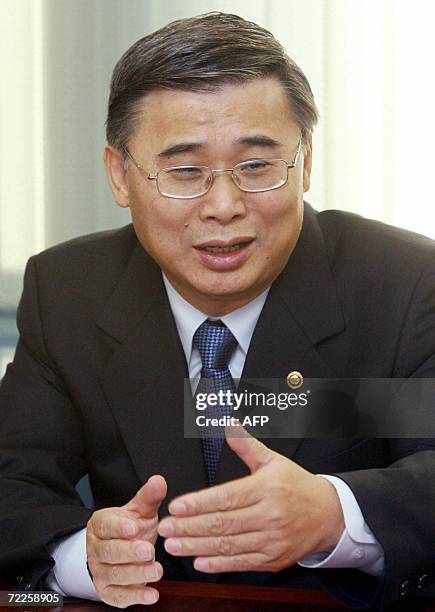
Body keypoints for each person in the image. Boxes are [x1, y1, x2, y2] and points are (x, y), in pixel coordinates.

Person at [0, 11, 434, 610]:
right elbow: (12, 476)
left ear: (304, 164)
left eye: (256, 166)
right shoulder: (70, 289)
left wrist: (335, 514)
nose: (224, 205)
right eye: (184, 171)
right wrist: (86, 556)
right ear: (120, 176)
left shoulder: (406, 282)